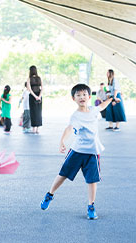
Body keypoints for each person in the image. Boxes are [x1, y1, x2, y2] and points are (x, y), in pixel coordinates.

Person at [40, 84, 113, 219]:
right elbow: (69, 128)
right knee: (63, 175)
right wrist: (62, 141)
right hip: (77, 151)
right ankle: (49, 194)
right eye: (78, 95)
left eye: (84, 94)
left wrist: (112, 99)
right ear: (73, 98)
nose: (82, 97)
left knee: (92, 180)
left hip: (92, 152)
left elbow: (102, 106)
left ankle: (91, 206)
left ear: (89, 97)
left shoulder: (93, 110)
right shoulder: (75, 116)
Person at [27, 65, 43, 134]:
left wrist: (35, 96)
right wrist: (39, 96)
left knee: (33, 112)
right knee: (39, 113)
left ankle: (34, 128)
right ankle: (38, 129)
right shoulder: (39, 78)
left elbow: (29, 89)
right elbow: (42, 88)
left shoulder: (29, 79)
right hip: (39, 96)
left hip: (33, 96)